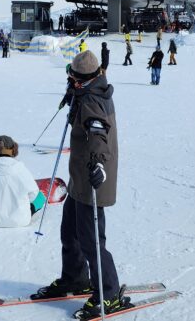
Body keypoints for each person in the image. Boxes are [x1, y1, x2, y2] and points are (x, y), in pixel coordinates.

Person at [32, 51, 128, 319]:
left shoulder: (93, 100)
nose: (69, 78)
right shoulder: (89, 87)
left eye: (71, 76)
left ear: (81, 78)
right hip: (79, 177)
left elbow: (98, 133)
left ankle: (108, 294)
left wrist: (98, 163)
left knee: (92, 241)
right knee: (70, 232)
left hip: (92, 179)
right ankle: (75, 278)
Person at [0, 135, 44, 228]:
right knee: (41, 197)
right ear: (13, 150)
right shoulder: (20, 168)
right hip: (22, 220)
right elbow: (33, 195)